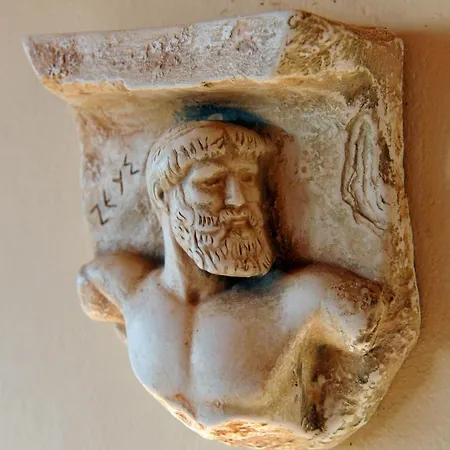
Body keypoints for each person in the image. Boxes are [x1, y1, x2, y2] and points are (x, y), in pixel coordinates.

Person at [78, 120, 383, 446]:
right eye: (211, 182)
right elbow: (92, 292)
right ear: (163, 196)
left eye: (248, 179)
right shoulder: (122, 288)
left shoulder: (306, 302)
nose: (238, 200)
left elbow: (371, 328)